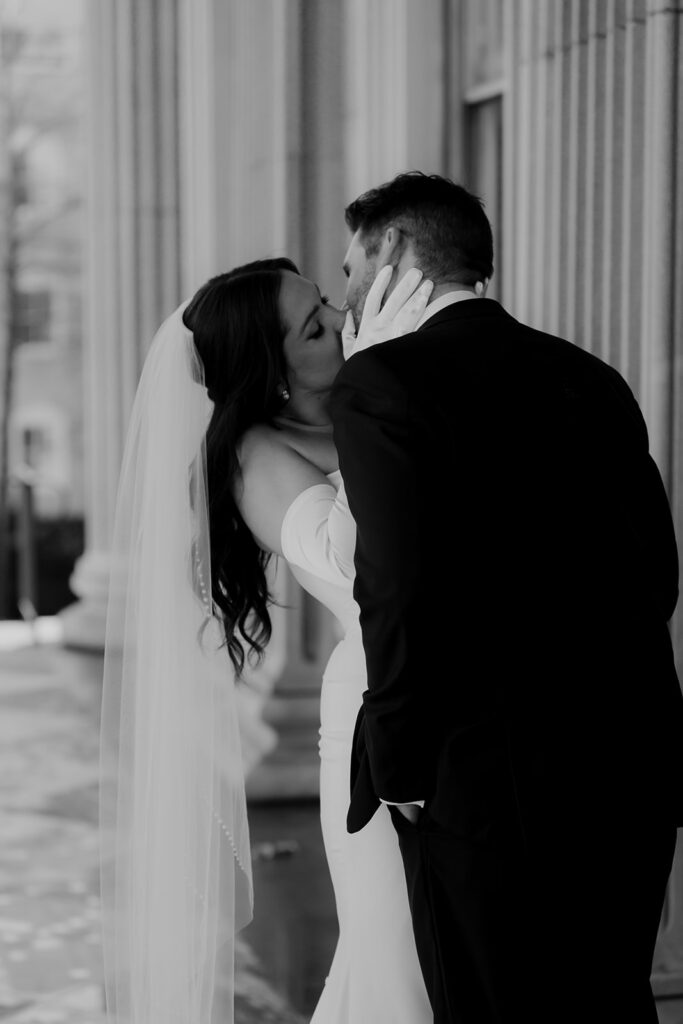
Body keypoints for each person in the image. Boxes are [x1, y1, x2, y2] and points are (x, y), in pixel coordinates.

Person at [330, 170, 683, 1024]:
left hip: (485, 777)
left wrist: (401, 761)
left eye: (348, 266)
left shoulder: (381, 383)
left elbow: (398, 590)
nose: (342, 290)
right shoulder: (588, 375)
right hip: (631, 762)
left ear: (391, 253)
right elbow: (656, 576)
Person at [100, 256, 434, 1024]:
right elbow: (361, 566)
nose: (344, 320)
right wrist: (380, 408)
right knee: (397, 959)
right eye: (316, 327)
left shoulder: (378, 400)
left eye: (325, 300)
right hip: (375, 723)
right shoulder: (256, 458)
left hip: (455, 708)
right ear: (274, 373)